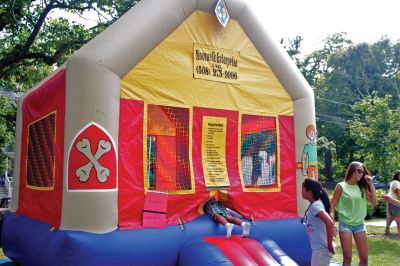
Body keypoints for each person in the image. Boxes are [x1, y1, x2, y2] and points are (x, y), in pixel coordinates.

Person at [330, 162, 378, 266]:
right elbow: (332, 205)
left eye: (363, 172)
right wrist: (332, 222)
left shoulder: (362, 188)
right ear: (352, 170)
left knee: (364, 259)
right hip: (345, 225)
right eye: (359, 171)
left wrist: (370, 184)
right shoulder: (341, 186)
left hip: (360, 225)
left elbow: (375, 202)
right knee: (347, 258)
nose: (362, 174)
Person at [301, 179, 336, 266]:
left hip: (322, 249)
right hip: (319, 249)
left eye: (303, 189)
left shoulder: (315, 206)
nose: (301, 192)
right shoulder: (314, 204)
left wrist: (330, 244)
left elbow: (329, 223)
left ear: (310, 192)